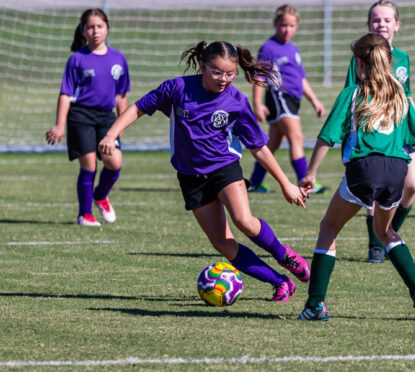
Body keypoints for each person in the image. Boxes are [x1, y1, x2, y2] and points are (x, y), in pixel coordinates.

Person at [98, 41, 310, 302]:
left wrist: (285, 183)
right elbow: (139, 108)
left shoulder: (236, 101)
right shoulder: (177, 89)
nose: (224, 79)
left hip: (224, 168)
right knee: (222, 243)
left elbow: (259, 148)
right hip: (190, 177)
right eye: (217, 72)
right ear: (202, 66)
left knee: (244, 220)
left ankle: (285, 256)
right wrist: (111, 134)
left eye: (230, 74)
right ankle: (280, 282)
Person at [298, 33, 415, 321]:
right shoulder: (401, 96)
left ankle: (315, 304)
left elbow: (326, 138)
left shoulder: (352, 93)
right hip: (397, 172)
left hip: (365, 169)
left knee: (329, 228)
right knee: (384, 231)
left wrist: (310, 174)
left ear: (360, 64)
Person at [346, 0, 415, 263]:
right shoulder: (360, 57)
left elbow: (406, 95)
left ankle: (389, 234)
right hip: (371, 132)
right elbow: (351, 95)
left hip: (400, 127)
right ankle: (376, 246)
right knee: (374, 192)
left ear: (397, 25)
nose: (382, 24)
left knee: (412, 185)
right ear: (369, 25)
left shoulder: (403, 58)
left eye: (387, 20)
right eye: (376, 20)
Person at [45, 8, 130, 226]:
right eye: (90, 27)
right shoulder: (76, 59)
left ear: (107, 28)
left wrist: (121, 124)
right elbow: (65, 94)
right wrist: (59, 125)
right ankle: (85, 215)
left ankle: (100, 195)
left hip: (106, 117)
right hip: (80, 116)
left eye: (99, 26)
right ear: (83, 31)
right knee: (89, 165)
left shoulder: (118, 58)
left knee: (114, 161)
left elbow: (121, 95)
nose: (95, 31)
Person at [247, 4, 329, 194]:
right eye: (284, 25)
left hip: (293, 100)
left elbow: (301, 78)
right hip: (279, 97)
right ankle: (305, 181)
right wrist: (258, 103)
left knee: (273, 143)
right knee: (296, 137)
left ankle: (254, 182)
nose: (287, 29)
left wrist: (314, 100)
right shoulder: (268, 48)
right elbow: (259, 77)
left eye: (292, 26)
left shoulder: (294, 49)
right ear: (276, 23)